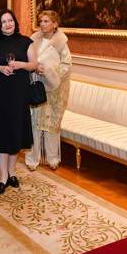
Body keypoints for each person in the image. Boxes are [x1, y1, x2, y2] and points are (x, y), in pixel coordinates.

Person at [0, 10, 37, 194]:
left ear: (15, 22)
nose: (8, 24)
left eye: (10, 20)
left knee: (16, 131)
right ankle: (3, 176)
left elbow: (34, 64)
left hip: (19, 92)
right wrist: (0, 68)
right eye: (4, 21)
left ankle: (12, 172)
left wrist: (20, 65)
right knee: (1, 132)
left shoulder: (26, 42)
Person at [26, 10, 71, 171]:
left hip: (55, 90)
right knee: (35, 122)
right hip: (37, 86)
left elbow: (66, 65)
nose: (42, 24)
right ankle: (33, 158)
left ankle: (53, 158)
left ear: (55, 24)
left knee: (52, 124)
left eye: (46, 21)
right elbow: (27, 59)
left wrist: (50, 72)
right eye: (41, 21)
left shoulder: (61, 43)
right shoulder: (34, 40)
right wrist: (34, 69)